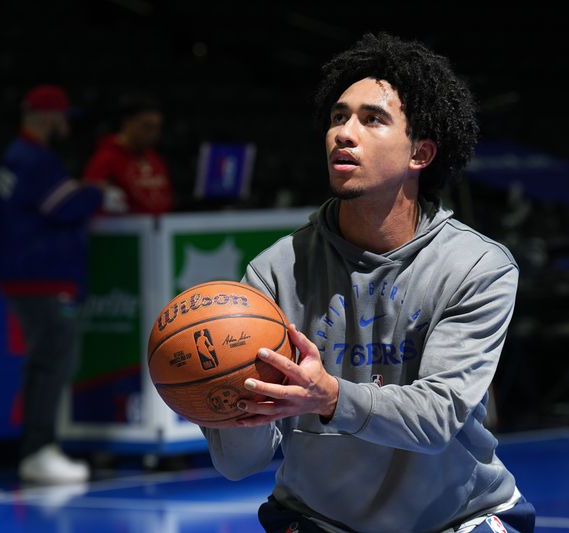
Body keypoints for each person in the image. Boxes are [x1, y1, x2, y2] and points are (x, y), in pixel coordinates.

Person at [200, 34, 535, 533]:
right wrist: (223, 402)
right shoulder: (272, 272)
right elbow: (239, 465)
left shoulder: (477, 266)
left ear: (419, 153)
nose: (343, 132)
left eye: (371, 119)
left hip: (458, 518)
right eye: (338, 117)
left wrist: (330, 396)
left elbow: (437, 418)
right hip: (320, 518)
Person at [0, 84, 120, 484]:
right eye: (61, 116)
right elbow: (64, 205)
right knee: (52, 362)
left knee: (44, 362)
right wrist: (96, 194)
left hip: (28, 276)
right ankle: (38, 450)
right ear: (47, 118)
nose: (65, 125)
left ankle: (37, 448)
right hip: (43, 277)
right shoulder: (34, 158)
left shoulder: (17, 155)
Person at [83, 94, 173, 215]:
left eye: (157, 128)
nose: (153, 134)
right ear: (127, 122)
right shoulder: (105, 159)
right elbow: (88, 196)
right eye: (147, 127)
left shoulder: (154, 159)